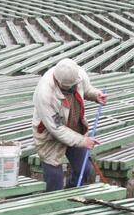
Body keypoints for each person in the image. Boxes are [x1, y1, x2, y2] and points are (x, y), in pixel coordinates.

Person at [32, 58, 108, 192]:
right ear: (60, 83)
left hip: (74, 128)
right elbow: (57, 128)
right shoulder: (45, 94)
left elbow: (86, 89)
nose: (74, 88)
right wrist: (83, 141)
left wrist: (96, 95)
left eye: (75, 85)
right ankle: (54, 207)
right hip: (50, 135)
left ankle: (71, 196)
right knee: (55, 180)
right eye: (69, 88)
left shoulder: (77, 74)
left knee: (85, 170)